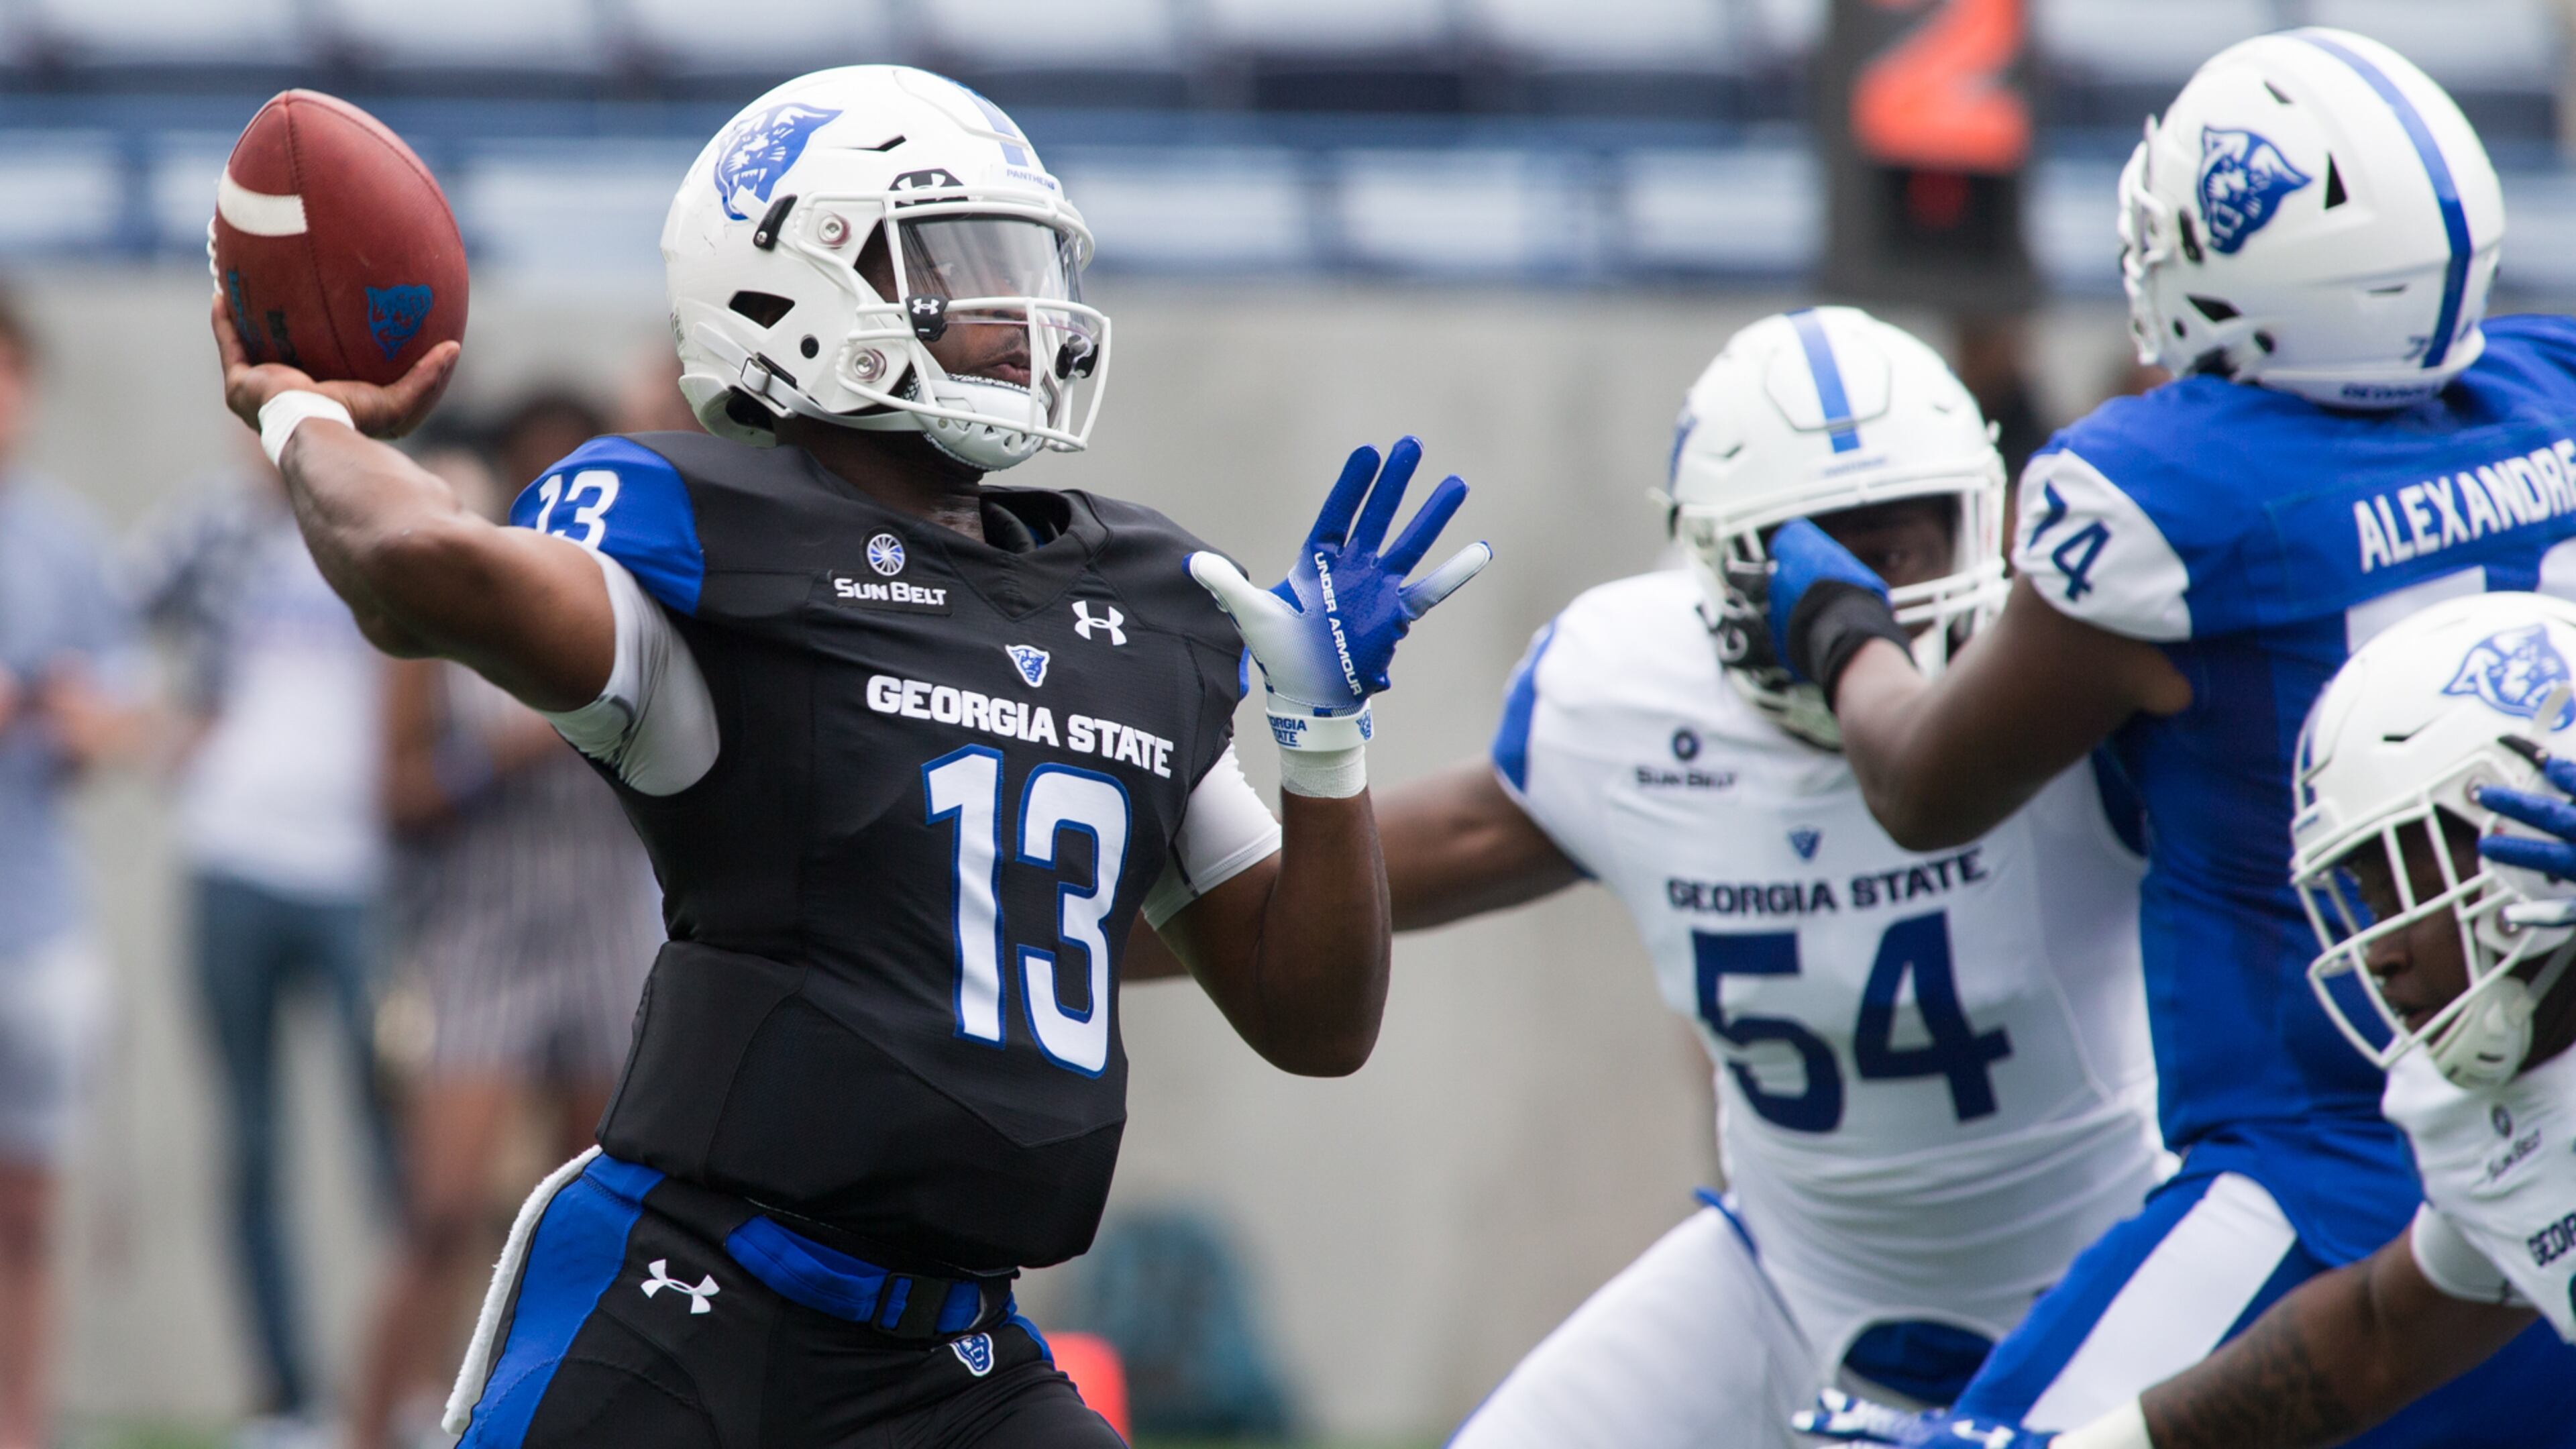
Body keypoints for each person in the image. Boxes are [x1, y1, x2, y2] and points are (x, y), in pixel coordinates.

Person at [209, 64, 1487, 1448]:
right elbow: (408, 569)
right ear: (788, 287)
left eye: (1021, 264)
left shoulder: (1143, 597)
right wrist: (305, 412)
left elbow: (1316, 1019)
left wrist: (1328, 747)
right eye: (961, 266)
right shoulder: (706, 537)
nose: (1020, 315)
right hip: (693, 1302)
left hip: (958, 1355)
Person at [1764, 28, 2576, 1445]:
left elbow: (1921, 781)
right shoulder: (2551, 394)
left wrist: (1839, 626)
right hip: (2518, 1142)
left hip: (2312, 1174)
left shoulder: (2172, 497)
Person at [1360, 307, 2160, 1448]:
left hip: (2110, 1268)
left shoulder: (2069, 691)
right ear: (1724, 571)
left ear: (1981, 521)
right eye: (1819, 555)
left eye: (1896, 549)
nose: (1863, 597)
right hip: (1788, 1276)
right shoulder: (1628, 694)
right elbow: (1349, 874)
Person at [1805, 590, 2576, 1448]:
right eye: (2364, 893)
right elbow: (2378, 1335)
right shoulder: (2488, 1121)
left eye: (2407, 879)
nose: (2381, 950)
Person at [345, 437, 662, 1449]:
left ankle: (572, 1424)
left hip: (607, 932)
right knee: (441, 1214)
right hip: (486, 937)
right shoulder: (433, 636)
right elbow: (396, 797)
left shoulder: (622, 611)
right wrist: (502, 751)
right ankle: (371, 1428)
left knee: (602, 1221)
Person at [136, 436, 401, 1443]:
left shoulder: (386, 523)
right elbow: (111, 615)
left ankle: (401, 1386)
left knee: (393, 1147)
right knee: (250, 1143)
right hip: (231, 855)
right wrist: (170, 725)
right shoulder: (211, 521)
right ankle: (286, 1399)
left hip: (359, 875)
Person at [0, 290, 142, 1449]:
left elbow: (120, 718)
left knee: (29, 1213)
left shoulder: (67, 542)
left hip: (35, 928)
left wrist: (67, 712)